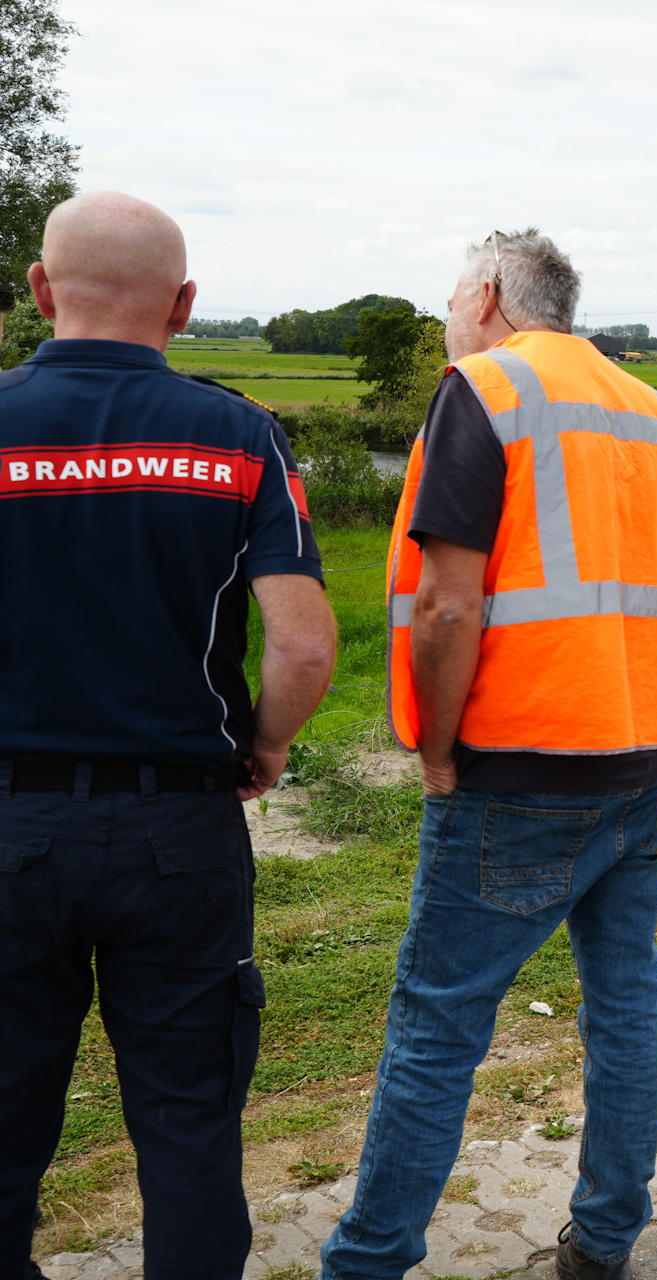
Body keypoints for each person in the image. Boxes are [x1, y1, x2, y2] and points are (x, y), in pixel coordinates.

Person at [320, 230, 657, 1280]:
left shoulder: (485, 391)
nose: (447, 314)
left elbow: (449, 601)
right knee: (626, 1008)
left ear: (494, 294)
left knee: (436, 1029)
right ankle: (603, 1239)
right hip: (639, 764)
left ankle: (365, 1261)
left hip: (517, 766)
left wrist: (439, 751)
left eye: (454, 291)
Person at [0, 193, 337, 1280]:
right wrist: (269, 747)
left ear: (41, 291)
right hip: (177, 830)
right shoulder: (238, 433)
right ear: (184, 306)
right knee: (189, 1127)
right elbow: (302, 646)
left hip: (8, 828)